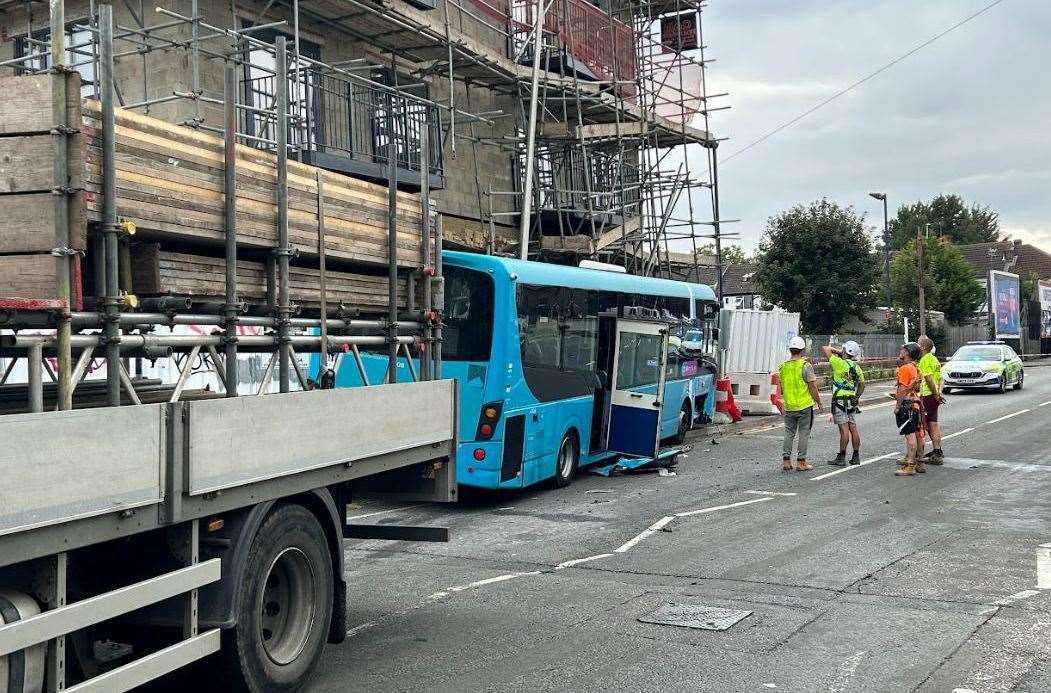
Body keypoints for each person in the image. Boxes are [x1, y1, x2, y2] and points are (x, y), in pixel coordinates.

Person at [779, 336, 824, 472]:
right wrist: (819, 402)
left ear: (791, 350)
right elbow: (812, 387)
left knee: (789, 433)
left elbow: (782, 388)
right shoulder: (805, 366)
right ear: (802, 350)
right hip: (804, 406)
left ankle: (786, 461)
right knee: (804, 433)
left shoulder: (783, 367)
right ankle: (801, 462)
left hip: (789, 406)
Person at [821, 341, 866, 467]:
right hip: (851, 400)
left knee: (843, 429)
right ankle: (856, 456)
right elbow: (862, 385)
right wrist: (856, 397)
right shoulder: (857, 368)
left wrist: (839, 352)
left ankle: (841, 456)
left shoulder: (839, 363)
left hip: (839, 399)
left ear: (845, 351)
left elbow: (825, 348)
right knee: (853, 427)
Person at [894, 342, 924, 477]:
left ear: (908, 353)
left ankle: (910, 466)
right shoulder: (916, 368)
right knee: (917, 434)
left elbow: (902, 389)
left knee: (909, 436)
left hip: (907, 406)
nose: (900, 351)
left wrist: (897, 406)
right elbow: (917, 388)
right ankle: (919, 463)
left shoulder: (905, 368)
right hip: (916, 404)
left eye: (903, 349)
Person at [916, 335, 945, 465]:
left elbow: (928, 378)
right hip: (933, 395)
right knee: (933, 423)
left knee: (925, 424)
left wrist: (935, 393)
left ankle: (924, 453)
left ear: (923, 347)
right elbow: (941, 379)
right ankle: (937, 451)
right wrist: (939, 392)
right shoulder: (934, 359)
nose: (916, 346)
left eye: (918, 344)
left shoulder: (925, 360)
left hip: (928, 395)